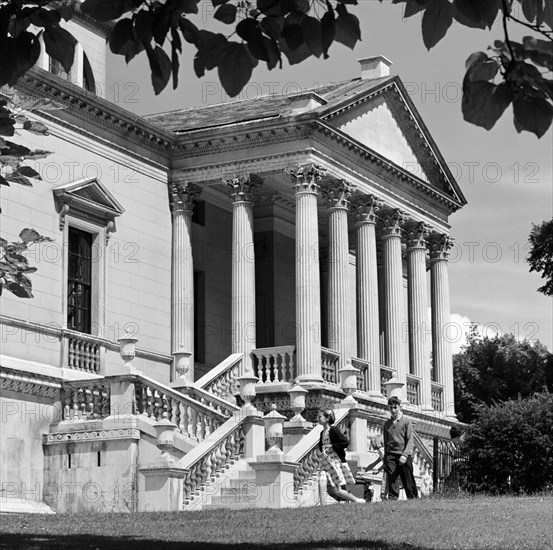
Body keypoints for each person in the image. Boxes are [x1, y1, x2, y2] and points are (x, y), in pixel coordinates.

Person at [317, 408, 366, 504]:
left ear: (327, 418)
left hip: (334, 462)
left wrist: (332, 447)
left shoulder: (333, 430)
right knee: (321, 480)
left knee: (337, 490)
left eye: (320, 417)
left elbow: (345, 442)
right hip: (325, 463)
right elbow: (321, 446)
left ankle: (356, 500)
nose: (318, 418)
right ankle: (322, 505)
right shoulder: (322, 433)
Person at [382, 396, 419, 500]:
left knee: (408, 479)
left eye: (395, 407)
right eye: (391, 408)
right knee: (392, 479)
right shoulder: (387, 424)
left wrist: (405, 455)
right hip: (391, 455)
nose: (393, 410)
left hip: (403, 455)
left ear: (399, 407)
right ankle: (393, 499)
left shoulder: (406, 421)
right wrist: (385, 460)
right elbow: (386, 443)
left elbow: (410, 440)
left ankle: (413, 499)